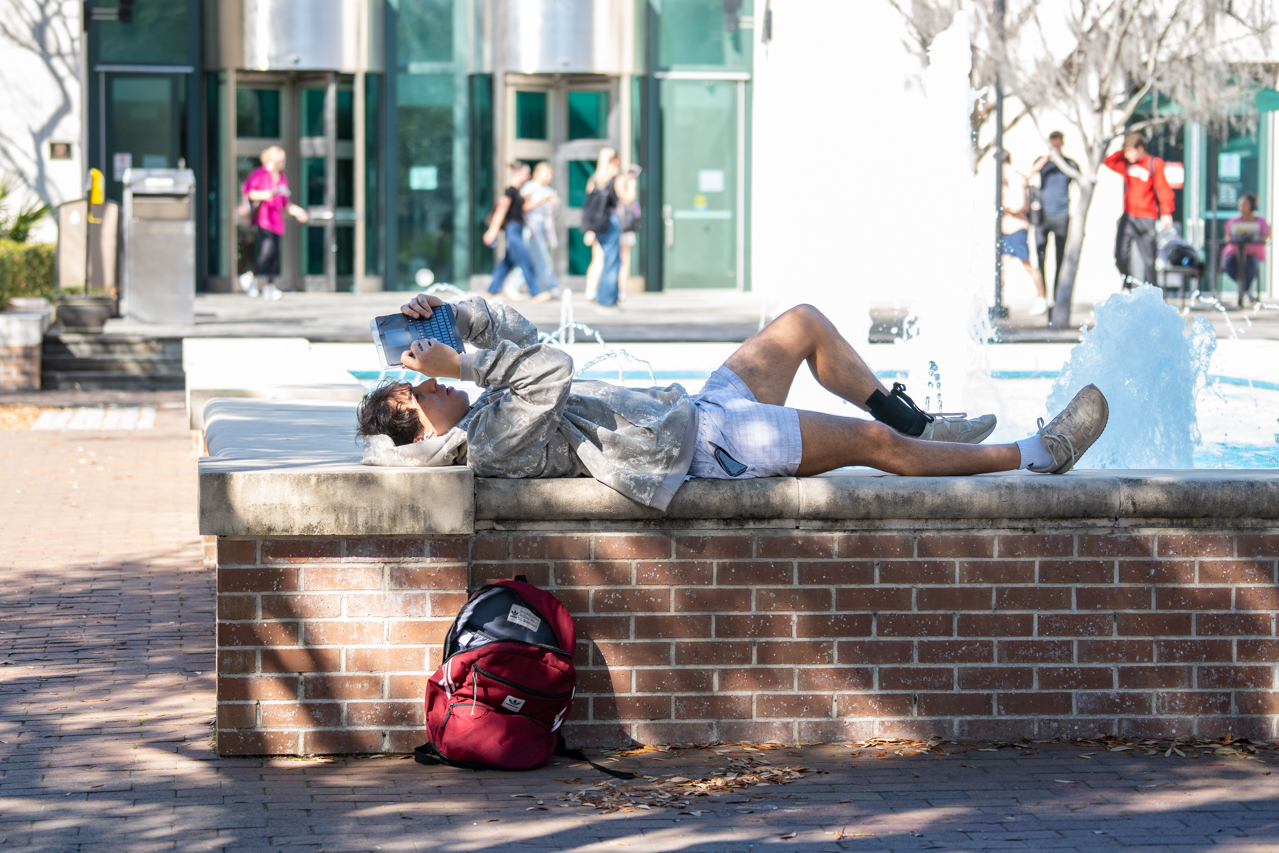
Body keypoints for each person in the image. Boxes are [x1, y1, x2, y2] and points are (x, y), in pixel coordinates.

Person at [355, 293, 1110, 512]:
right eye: (423, 386)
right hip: (708, 447)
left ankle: (920, 422)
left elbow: (524, 338)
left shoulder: (479, 411)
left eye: (428, 370)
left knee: (804, 322)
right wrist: (474, 362)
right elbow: (549, 368)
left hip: (690, 413)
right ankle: (1036, 452)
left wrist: (459, 319)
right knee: (867, 448)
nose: (438, 379)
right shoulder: (486, 441)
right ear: (419, 427)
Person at [1105, 131, 1175, 290]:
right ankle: (1128, 287)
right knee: (1120, 256)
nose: (1128, 155)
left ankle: (1153, 296)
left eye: (1131, 151)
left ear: (1141, 148)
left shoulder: (1153, 163)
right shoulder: (1126, 164)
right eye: (1126, 152)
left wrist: (1166, 212)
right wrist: (1123, 152)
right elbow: (1108, 161)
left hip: (1146, 217)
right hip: (1128, 216)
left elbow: (1163, 188)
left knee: (1149, 261)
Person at [239, 146, 309, 300]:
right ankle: (251, 276)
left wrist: (299, 212)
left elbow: (286, 204)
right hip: (263, 219)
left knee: (275, 255)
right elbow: (250, 193)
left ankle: (270, 286)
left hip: (277, 220)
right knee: (267, 250)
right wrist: (269, 193)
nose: (283, 163)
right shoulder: (260, 174)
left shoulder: (282, 177)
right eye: (280, 160)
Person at [484, 162, 552, 304]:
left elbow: (522, 213)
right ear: (517, 173)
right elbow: (501, 211)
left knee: (507, 262)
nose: (528, 176)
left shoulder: (519, 191)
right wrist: (493, 231)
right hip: (513, 230)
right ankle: (536, 292)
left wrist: (530, 228)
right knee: (526, 260)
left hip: (519, 228)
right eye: (526, 173)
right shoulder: (510, 191)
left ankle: (491, 291)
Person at [1030, 132, 1078, 302]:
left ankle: (1057, 296)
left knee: (1060, 258)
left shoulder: (1070, 163)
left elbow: (1080, 182)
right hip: (1043, 216)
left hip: (1062, 215)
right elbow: (1030, 174)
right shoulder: (1043, 162)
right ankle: (1042, 295)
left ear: (1063, 143)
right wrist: (1048, 156)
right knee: (1041, 255)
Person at [1000, 152, 1050, 317]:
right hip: (1006, 229)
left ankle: (1042, 298)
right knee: (1002, 266)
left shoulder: (1015, 179)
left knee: (1027, 264)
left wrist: (1002, 204)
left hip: (1017, 229)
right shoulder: (1002, 180)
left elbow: (1019, 205)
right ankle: (998, 300)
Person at [1222, 193, 1270, 308]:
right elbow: (1227, 236)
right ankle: (1247, 290)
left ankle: (1241, 296)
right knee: (1228, 265)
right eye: (1240, 205)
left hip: (1253, 253)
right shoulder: (1234, 221)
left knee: (1251, 266)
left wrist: (1258, 239)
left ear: (1252, 206)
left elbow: (1266, 234)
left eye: (1245, 205)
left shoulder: (1260, 221)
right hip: (1234, 252)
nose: (1241, 208)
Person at [521, 162, 560, 298]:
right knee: (541, 257)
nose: (549, 177)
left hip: (545, 225)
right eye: (546, 174)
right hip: (532, 225)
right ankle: (551, 286)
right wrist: (543, 200)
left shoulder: (548, 190)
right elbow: (525, 207)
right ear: (537, 174)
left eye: (550, 174)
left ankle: (516, 285)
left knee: (536, 257)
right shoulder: (530, 187)